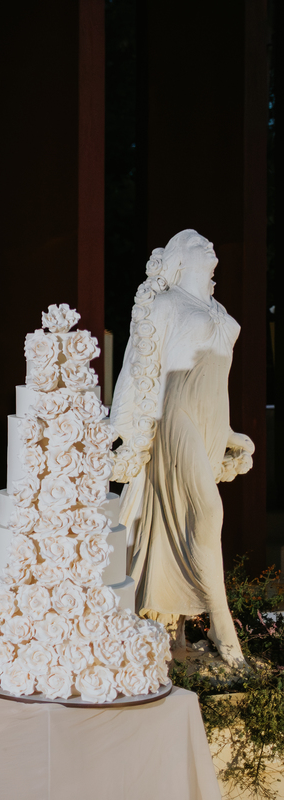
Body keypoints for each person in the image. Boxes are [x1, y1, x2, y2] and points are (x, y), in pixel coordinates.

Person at [111, 229, 255, 667]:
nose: (209, 245)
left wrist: (229, 433)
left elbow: (216, 381)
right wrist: (120, 429)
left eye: (209, 242)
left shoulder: (218, 309)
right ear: (178, 259)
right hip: (176, 415)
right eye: (197, 243)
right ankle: (222, 625)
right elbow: (137, 367)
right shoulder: (165, 304)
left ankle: (173, 630)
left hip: (211, 421)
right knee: (208, 511)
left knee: (187, 522)